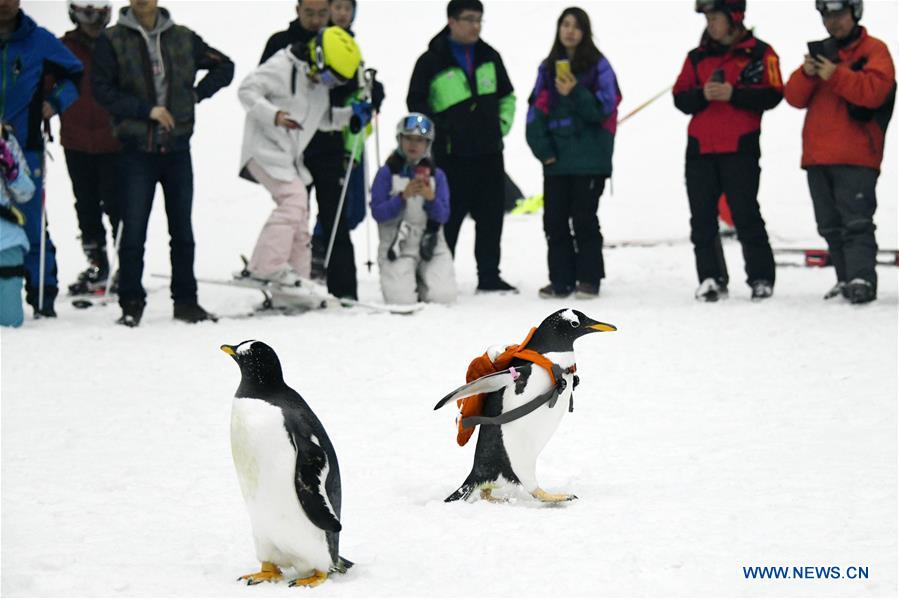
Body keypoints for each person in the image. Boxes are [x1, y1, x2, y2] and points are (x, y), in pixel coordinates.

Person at [92, 0, 234, 327]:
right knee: (133, 230)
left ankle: (186, 301)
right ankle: (131, 302)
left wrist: (193, 96)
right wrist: (146, 110)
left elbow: (224, 66)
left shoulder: (182, 37)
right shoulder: (113, 39)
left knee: (182, 229)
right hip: (135, 148)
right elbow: (102, 89)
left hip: (177, 147)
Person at [238, 26, 368, 288]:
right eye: (331, 77)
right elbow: (246, 90)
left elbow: (324, 121)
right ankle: (265, 267)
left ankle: (298, 278)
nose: (329, 84)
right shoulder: (282, 66)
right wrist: (273, 114)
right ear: (318, 57)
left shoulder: (316, 83)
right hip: (264, 151)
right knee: (294, 201)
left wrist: (351, 116)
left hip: (287, 158)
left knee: (300, 214)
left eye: (337, 82)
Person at [784, 0, 895, 304]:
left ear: (855, 14)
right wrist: (807, 73)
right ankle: (846, 279)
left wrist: (835, 74)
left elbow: (876, 92)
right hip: (818, 157)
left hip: (857, 155)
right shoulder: (823, 52)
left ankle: (861, 279)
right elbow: (792, 97)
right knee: (829, 225)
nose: (833, 22)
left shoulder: (875, 51)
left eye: (839, 15)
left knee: (856, 222)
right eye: (827, 16)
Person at [673, 0, 782, 302]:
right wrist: (701, 95)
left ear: (734, 17)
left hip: (740, 146)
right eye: (707, 17)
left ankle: (761, 277)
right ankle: (710, 277)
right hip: (700, 147)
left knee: (745, 213)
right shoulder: (696, 57)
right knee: (702, 217)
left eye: (715, 17)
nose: (710, 22)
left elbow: (774, 93)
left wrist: (734, 94)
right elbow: (680, 97)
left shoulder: (760, 53)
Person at [407, 0, 517, 294]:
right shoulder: (430, 60)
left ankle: (489, 276)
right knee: (448, 218)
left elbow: (507, 96)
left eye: (479, 20)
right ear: (452, 21)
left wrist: (500, 126)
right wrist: (440, 132)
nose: (475, 26)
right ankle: (441, 275)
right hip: (451, 156)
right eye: (469, 19)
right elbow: (415, 104)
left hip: (489, 152)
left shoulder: (490, 56)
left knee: (491, 218)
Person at [260, 0, 361, 300]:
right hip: (288, 145)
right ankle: (288, 286)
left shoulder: (341, 40)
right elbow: (263, 88)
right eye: (310, 13)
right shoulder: (280, 43)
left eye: (322, 13)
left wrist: (369, 94)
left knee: (335, 217)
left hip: (327, 143)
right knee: (294, 215)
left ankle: (345, 291)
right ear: (297, 10)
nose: (317, 19)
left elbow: (350, 85)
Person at [526, 7, 621, 300]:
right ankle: (561, 280)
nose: (570, 31)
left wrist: (576, 91)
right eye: (565, 24)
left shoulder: (599, 66)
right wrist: (544, 152)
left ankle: (589, 279)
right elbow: (534, 116)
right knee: (554, 220)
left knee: (584, 218)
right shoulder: (547, 68)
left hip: (590, 162)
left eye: (577, 26)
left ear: (585, 32)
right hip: (557, 162)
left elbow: (603, 109)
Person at [0, 0, 83, 318]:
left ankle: (42, 295)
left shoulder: (38, 39)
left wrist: (55, 103)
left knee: (31, 221)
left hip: (25, 147)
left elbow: (75, 74)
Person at [309, 0, 385, 284]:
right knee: (342, 205)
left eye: (347, 8)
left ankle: (320, 252)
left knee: (353, 208)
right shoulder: (323, 44)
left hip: (355, 135)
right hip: (335, 135)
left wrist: (373, 92)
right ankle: (318, 254)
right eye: (337, 7)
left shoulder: (349, 42)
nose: (343, 13)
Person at [58, 0, 122, 297]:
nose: (92, 21)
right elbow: (47, 84)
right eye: (86, 14)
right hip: (77, 139)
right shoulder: (62, 48)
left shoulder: (119, 43)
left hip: (115, 139)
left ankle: (127, 266)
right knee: (85, 204)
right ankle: (97, 263)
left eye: (97, 14)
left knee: (117, 204)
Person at [370, 113, 457, 305]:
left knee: (444, 298)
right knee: (400, 302)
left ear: (428, 144)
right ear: (399, 139)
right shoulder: (386, 173)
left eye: (420, 140)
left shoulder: (437, 175)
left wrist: (431, 199)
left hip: (431, 243)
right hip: (397, 243)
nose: (413, 145)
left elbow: (444, 215)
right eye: (408, 138)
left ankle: (423, 278)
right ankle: (406, 278)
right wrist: (402, 197)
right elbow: (378, 213)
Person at [0, 126, 35, 327]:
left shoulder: (7, 140)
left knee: (10, 322)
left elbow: (26, 192)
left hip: (5, 242)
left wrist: (12, 171)